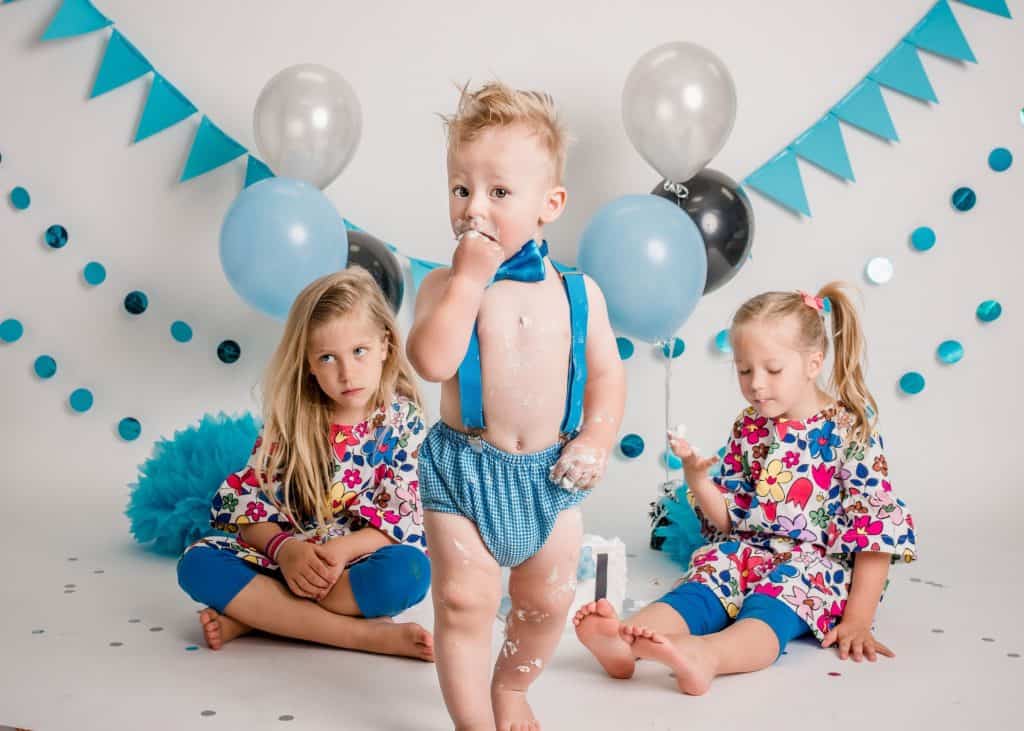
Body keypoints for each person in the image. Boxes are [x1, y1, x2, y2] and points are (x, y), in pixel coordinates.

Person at [407, 81, 626, 730]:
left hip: (549, 479)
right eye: (461, 188)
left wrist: (595, 438)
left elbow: (607, 377)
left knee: (543, 605)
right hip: (463, 473)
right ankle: (473, 722)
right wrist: (469, 281)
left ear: (549, 203)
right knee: (461, 599)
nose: (475, 207)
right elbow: (433, 362)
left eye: (499, 192)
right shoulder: (444, 285)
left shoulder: (580, 293)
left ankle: (511, 688)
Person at [575, 284, 917, 694]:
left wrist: (858, 618)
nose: (756, 384)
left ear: (813, 363)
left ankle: (708, 657)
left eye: (773, 370)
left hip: (815, 565)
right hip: (748, 551)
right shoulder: (750, 425)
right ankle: (624, 643)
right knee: (703, 584)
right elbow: (728, 521)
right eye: (743, 370)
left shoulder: (849, 431)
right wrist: (698, 479)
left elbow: (874, 525)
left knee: (768, 610)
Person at [177, 268, 433, 661]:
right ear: (309, 365)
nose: (347, 373)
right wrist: (284, 550)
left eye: (359, 351)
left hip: (353, 565)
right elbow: (249, 506)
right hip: (288, 559)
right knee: (197, 564)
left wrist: (343, 551)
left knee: (410, 572)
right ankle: (360, 635)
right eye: (328, 358)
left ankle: (258, 617)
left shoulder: (403, 421)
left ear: (384, 345)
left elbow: (407, 518)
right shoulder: (292, 421)